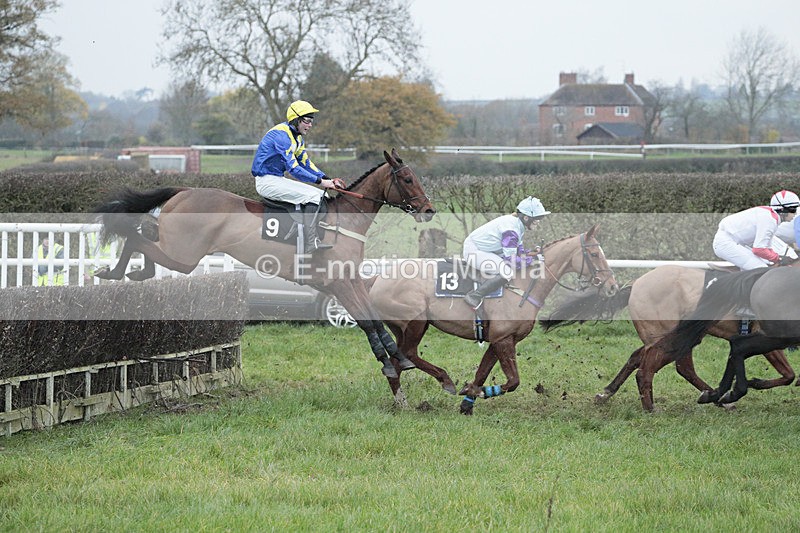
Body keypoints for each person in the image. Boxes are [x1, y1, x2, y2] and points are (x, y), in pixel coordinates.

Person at [251, 100, 344, 254]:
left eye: (311, 121)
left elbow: (305, 163)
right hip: (266, 182)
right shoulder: (281, 136)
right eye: (307, 121)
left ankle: (309, 233)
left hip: (276, 179)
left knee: (323, 195)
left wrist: (327, 179)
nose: (310, 125)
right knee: (314, 197)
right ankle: (310, 242)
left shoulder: (297, 138)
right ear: (296, 120)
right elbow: (294, 169)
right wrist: (321, 182)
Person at [462, 196, 551, 309]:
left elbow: (518, 251)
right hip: (475, 251)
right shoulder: (511, 229)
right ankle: (474, 296)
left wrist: (532, 253)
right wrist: (533, 260)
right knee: (507, 272)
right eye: (536, 219)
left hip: (485, 249)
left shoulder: (517, 225)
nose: (538, 222)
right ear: (526, 218)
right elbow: (511, 261)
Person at [712, 189, 799, 270]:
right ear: (782, 210)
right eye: (793, 210)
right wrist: (778, 258)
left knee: (766, 265)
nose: (795, 214)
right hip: (726, 243)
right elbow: (758, 249)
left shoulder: (772, 217)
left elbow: (766, 247)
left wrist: (778, 258)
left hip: (736, 242)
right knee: (761, 269)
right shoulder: (770, 220)